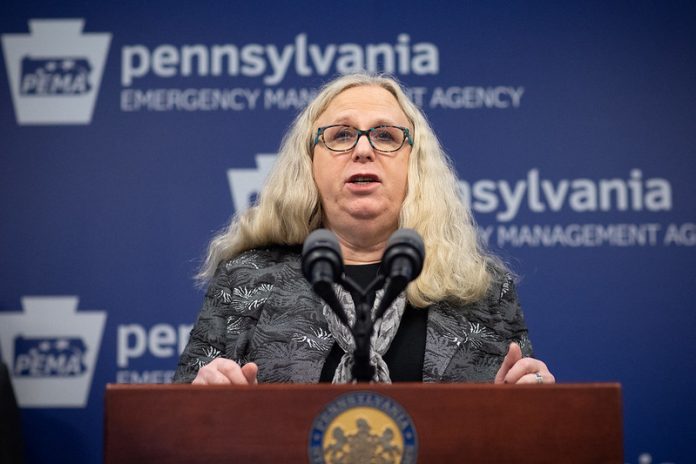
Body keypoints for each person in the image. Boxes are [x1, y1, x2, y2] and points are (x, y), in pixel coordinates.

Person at [173, 72, 555, 386]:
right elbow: (179, 428)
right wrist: (204, 404)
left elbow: (520, 425)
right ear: (308, 165)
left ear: (415, 166)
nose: (363, 149)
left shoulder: (482, 290)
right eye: (341, 135)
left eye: (386, 136)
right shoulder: (245, 280)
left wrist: (525, 407)